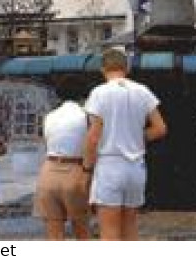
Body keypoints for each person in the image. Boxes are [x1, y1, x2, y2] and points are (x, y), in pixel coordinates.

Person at [84, 47, 167, 242]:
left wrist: (86, 168)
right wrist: (137, 136)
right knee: (130, 229)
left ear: (103, 69)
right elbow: (161, 128)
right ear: (126, 68)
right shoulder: (142, 91)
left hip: (110, 166)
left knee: (109, 231)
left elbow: (93, 136)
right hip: (136, 167)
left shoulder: (99, 93)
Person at [35, 84, 91, 241]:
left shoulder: (50, 116)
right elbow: (91, 145)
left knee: (54, 235)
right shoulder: (85, 115)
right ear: (82, 96)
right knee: (82, 231)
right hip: (75, 170)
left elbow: (47, 143)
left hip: (48, 171)